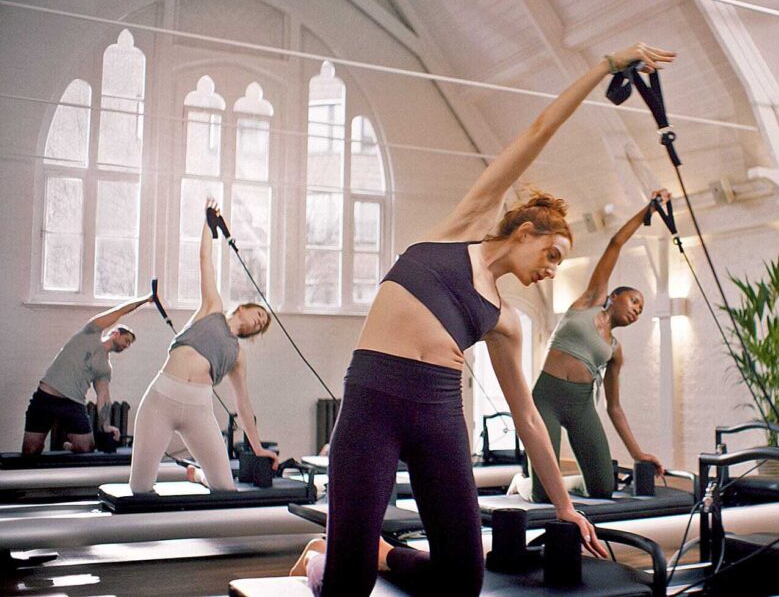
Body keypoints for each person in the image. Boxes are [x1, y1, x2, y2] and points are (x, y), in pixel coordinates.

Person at [292, 42, 676, 597]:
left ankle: (384, 553)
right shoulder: (459, 230)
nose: (551, 270)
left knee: (462, 580)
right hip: (372, 401)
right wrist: (604, 67)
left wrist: (564, 506)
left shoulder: (507, 319)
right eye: (551, 254)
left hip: (439, 414)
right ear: (526, 231)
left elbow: (528, 417)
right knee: (346, 585)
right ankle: (336, 561)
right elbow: (537, 132)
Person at [518, 190, 671, 504]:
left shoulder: (615, 351)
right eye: (634, 301)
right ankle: (521, 484)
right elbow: (615, 243)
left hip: (582, 405)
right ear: (613, 296)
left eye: (641, 311)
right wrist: (649, 209)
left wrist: (638, 454)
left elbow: (615, 408)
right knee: (541, 494)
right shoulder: (588, 303)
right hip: (546, 398)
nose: (637, 310)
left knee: (602, 488)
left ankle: (570, 484)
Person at [128, 201, 278, 493]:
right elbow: (204, 260)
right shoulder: (213, 308)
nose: (258, 323)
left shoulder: (237, 355)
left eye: (261, 325)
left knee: (226, 488)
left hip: (198, 409)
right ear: (244, 308)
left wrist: (257, 447)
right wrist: (209, 225)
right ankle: (196, 476)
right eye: (258, 315)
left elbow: (243, 404)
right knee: (140, 489)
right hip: (161, 400)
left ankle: (198, 476)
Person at [22, 297, 149, 454]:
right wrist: (146, 299)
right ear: (116, 333)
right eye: (127, 340)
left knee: (86, 448)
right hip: (46, 397)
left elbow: (103, 397)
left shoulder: (105, 367)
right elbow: (119, 311)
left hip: (73, 404)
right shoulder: (90, 332)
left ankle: (69, 445)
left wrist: (106, 425)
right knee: (30, 451)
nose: (127, 345)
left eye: (130, 344)